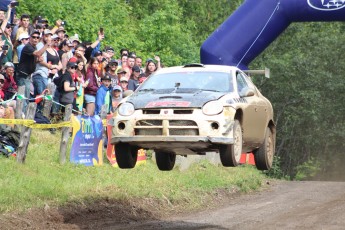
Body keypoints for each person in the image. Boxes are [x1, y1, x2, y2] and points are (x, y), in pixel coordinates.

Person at [16, 30, 51, 108]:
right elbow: (38, 53)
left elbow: (32, 60)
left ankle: (24, 115)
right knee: (23, 98)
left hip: (28, 76)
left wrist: (38, 60)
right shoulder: (28, 46)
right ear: (30, 38)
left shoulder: (34, 47)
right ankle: (22, 116)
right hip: (22, 76)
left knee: (26, 98)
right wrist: (47, 44)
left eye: (37, 37)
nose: (35, 39)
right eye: (33, 37)